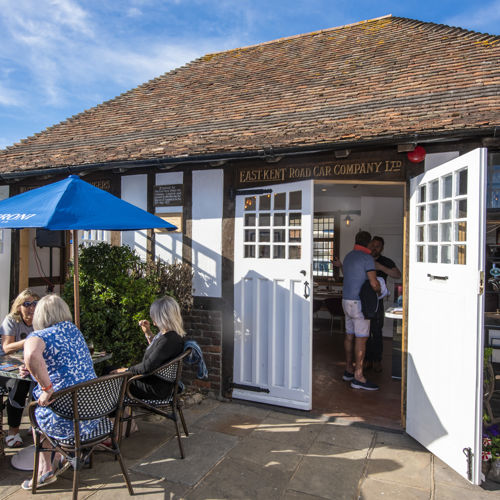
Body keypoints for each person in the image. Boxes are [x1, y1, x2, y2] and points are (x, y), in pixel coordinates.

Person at [22, 294, 101, 489]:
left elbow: (31, 354)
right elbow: (60, 362)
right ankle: (59, 456)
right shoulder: (73, 330)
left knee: (37, 412)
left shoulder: (39, 336)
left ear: (40, 315)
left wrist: (47, 389)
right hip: (93, 413)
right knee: (49, 406)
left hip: (68, 417)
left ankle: (46, 469)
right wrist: (33, 367)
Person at [112, 296, 186, 400]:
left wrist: (126, 370)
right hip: (156, 383)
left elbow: (146, 367)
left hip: (155, 389)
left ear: (161, 316)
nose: (151, 316)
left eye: (153, 314)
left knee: (109, 374)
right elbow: (158, 351)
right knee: (112, 372)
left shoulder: (169, 340)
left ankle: (107, 413)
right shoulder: (169, 336)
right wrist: (148, 333)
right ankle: (121, 412)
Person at [0, 289, 40, 448]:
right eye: (27, 304)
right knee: (21, 384)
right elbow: (7, 347)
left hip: (28, 363)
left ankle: (36, 424)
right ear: (18, 307)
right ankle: (13, 431)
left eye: (35, 304)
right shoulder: (11, 321)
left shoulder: (39, 320)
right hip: (7, 366)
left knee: (42, 381)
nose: (31, 308)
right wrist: (31, 340)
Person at [341, 231, 381, 391]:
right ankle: (358, 376)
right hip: (359, 303)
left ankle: (348, 370)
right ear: (369, 243)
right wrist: (379, 290)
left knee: (349, 336)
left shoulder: (349, 256)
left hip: (345, 301)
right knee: (361, 339)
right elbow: (373, 283)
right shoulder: (367, 258)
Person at [365, 236, 401, 373]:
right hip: (364, 299)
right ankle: (367, 359)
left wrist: (381, 267)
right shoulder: (364, 258)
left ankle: (377, 361)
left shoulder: (385, 261)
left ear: (382, 248)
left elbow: (398, 274)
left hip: (377, 301)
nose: (374, 248)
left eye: (378, 246)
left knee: (377, 331)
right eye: (372, 245)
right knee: (365, 332)